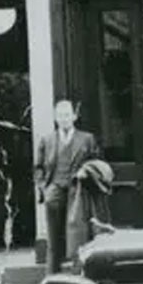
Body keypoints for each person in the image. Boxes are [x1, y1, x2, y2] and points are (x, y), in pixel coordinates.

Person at [34, 100, 102, 273]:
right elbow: (38, 168)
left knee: (78, 237)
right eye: (60, 115)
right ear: (55, 118)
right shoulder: (47, 140)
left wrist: (86, 172)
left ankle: (78, 275)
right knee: (53, 240)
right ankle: (52, 277)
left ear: (74, 116)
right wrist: (44, 189)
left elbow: (97, 163)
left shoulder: (87, 139)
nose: (64, 119)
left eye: (67, 115)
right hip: (54, 192)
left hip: (78, 193)